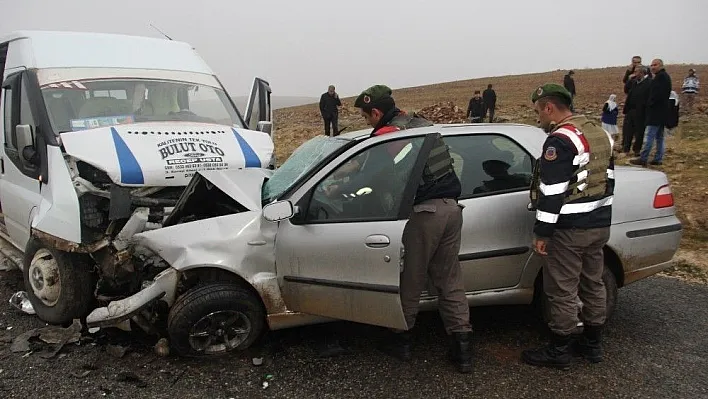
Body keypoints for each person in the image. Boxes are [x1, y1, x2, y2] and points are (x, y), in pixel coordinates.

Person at [352, 84, 473, 374]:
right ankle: (463, 349)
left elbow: (372, 175)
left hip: (425, 213)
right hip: (452, 209)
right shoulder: (419, 123)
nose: (368, 121)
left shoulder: (387, 134)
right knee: (449, 279)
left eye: (367, 116)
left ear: (377, 112)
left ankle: (401, 340)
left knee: (412, 278)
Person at [523, 83, 614, 370]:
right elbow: (608, 179)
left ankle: (559, 349)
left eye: (539, 111)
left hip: (570, 229)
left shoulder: (560, 140)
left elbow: (553, 191)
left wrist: (543, 233)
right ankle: (593, 344)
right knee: (593, 282)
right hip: (598, 225)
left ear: (549, 107)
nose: (539, 117)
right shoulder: (599, 133)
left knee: (562, 289)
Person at [631, 59, 672, 167]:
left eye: (655, 65)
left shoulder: (661, 77)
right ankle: (658, 158)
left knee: (649, 136)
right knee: (659, 137)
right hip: (661, 113)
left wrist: (650, 104)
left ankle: (643, 158)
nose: (653, 67)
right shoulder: (662, 76)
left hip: (656, 113)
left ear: (661, 65)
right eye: (652, 65)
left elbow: (657, 95)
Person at [621, 66, 651, 157]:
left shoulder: (649, 83)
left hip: (641, 112)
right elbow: (626, 90)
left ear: (642, 73)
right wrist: (629, 79)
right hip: (631, 110)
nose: (634, 74)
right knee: (628, 131)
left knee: (639, 132)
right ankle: (626, 149)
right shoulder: (634, 82)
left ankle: (636, 150)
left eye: (636, 72)